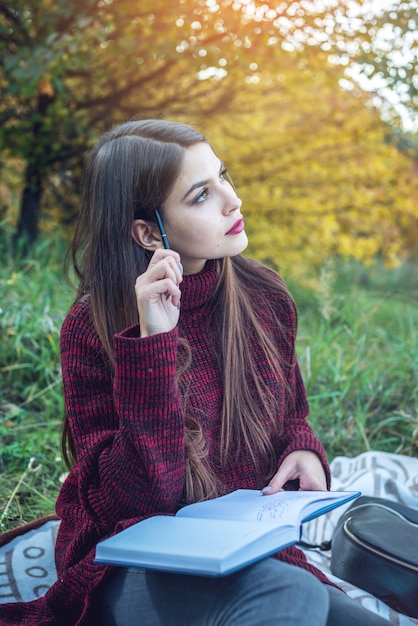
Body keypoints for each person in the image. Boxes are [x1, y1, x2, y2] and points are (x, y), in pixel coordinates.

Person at [0, 120, 390, 626]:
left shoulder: (264, 297)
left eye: (223, 176)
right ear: (147, 232)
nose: (233, 201)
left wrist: (302, 448)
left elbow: (291, 410)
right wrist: (153, 345)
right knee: (287, 596)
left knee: (344, 616)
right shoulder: (93, 327)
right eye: (202, 195)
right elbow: (138, 495)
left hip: (250, 549)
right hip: (132, 557)